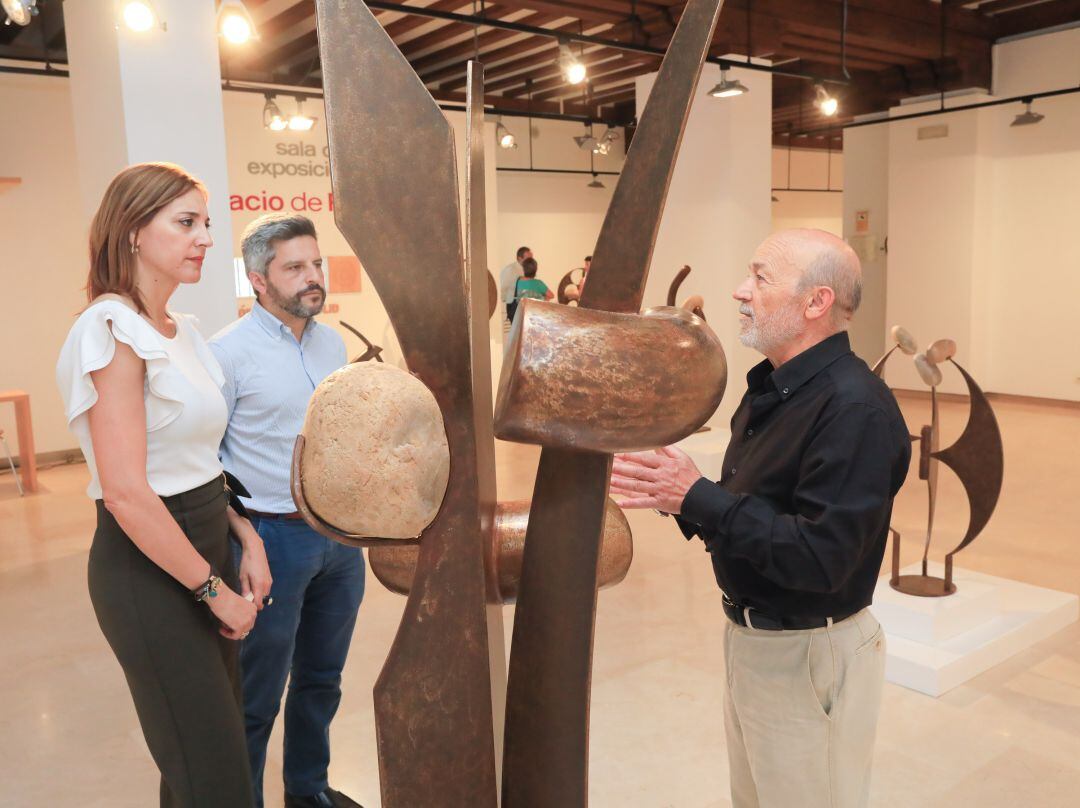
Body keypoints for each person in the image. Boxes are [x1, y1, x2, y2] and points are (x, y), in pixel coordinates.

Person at [610, 229, 911, 808]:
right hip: (753, 644)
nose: (739, 290)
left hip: (808, 655)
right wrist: (680, 494)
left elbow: (820, 557)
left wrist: (699, 496)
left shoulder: (855, 408)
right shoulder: (775, 388)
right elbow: (761, 509)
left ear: (816, 302)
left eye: (760, 277)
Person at [55, 162, 271, 807]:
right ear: (132, 232)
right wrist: (212, 591)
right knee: (217, 777)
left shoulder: (184, 333)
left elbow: (200, 461)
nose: (205, 237)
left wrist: (246, 538)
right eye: (185, 223)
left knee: (201, 764)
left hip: (206, 546)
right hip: (150, 574)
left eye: (205, 223)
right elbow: (125, 492)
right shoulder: (112, 330)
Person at [210, 214, 365, 808]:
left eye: (316, 263)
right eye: (294, 267)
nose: (312, 277)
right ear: (258, 280)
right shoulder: (227, 354)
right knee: (257, 694)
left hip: (339, 537)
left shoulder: (332, 343)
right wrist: (243, 539)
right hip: (270, 541)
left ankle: (307, 791)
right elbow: (207, 463)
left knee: (322, 681)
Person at [500, 245, 532, 323]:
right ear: (519, 258)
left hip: (527, 306)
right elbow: (504, 289)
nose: (531, 261)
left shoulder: (528, 269)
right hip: (515, 307)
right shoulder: (510, 269)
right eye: (528, 258)